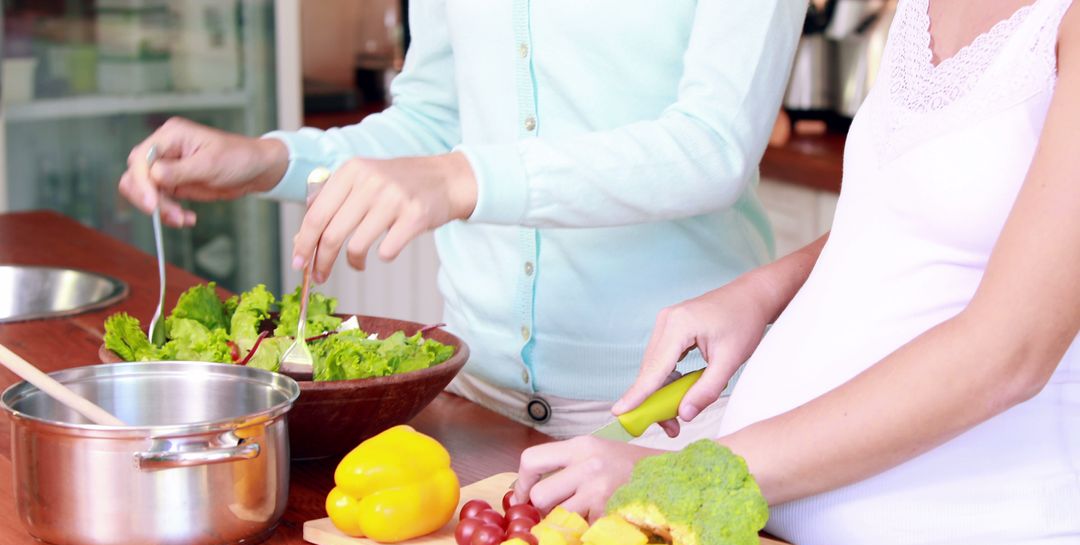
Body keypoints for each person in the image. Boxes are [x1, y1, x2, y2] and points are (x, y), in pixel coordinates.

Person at [513, 0, 1080, 545]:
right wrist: (761, 293)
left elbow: (1010, 352)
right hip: (783, 541)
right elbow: (913, 220)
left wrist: (685, 475)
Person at [117, 2, 807, 436]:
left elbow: (712, 146)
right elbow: (435, 120)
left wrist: (462, 179)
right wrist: (271, 160)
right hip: (473, 397)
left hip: (673, 409)